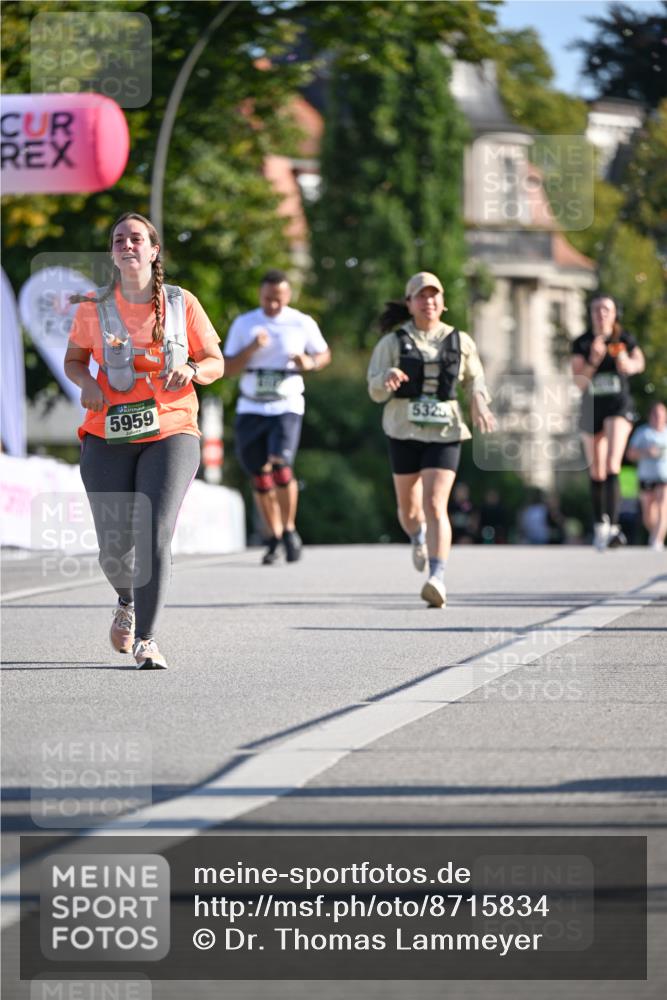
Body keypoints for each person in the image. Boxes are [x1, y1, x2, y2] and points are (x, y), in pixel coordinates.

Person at [64, 212, 224, 669]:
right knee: (114, 546)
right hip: (107, 432)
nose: (127, 244)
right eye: (119, 239)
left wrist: (193, 370)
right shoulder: (93, 307)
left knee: (153, 530)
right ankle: (126, 600)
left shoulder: (180, 303)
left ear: (154, 251)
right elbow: (75, 360)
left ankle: (148, 640)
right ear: (113, 254)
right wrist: (87, 384)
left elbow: (215, 361)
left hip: (172, 428)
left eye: (137, 238)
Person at [367, 271, 495, 608]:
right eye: (421, 296)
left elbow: (475, 379)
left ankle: (436, 577)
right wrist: (387, 377)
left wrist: (480, 401)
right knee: (410, 511)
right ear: (409, 304)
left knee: (436, 503)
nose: (429, 301)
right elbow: (374, 389)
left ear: (443, 302)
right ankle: (417, 536)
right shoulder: (392, 343)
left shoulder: (460, 341)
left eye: (434, 295)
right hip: (403, 430)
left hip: (445, 431)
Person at [223, 270, 331, 564]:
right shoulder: (245, 323)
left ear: (289, 296)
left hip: (286, 404)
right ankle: (273, 536)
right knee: (259, 475)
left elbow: (323, 354)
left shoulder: (301, 322)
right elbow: (228, 367)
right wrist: (253, 348)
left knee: (282, 466)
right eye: (268, 299)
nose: (273, 305)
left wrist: (309, 362)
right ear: (260, 295)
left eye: (279, 300)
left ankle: (290, 529)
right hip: (251, 406)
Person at [571, 295, 645, 550]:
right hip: (592, 408)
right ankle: (600, 524)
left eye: (607, 309)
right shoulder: (581, 343)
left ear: (614, 314)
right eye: (597, 310)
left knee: (613, 462)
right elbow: (579, 382)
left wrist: (629, 365)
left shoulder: (623, 339)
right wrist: (593, 359)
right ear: (591, 314)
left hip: (618, 406)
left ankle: (613, 526)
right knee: (597, 469)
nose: (601, 314)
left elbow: (640, 361)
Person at [627, 401, 667, 550]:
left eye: (661, 414)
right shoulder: (643, 432)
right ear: (651, 416)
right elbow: (630, 454)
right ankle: (654, 533)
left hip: (664, 477)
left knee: (663, 507)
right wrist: (646, 452)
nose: (658, 417)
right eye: (655, 414)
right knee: (648, 514)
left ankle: (657, 540)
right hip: (646, 477)